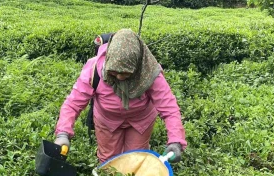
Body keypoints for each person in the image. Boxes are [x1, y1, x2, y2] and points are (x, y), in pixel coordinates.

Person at [54, 28, 187, 164]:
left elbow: (169, 107)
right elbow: (73, 104)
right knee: (108, 160)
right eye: (114, 72)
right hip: (107, 120)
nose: (120, 77)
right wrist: (63, 133)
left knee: (135, 158)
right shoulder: (94, 69)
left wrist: (176, 141)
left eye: (126, 73)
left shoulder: (150, 72)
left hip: (141, 121)